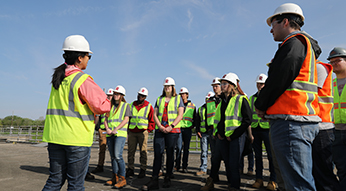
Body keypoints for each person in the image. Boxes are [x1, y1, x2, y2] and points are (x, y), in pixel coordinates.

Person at [255, 3, 321, 190]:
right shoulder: (300, 45)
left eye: (273, 24)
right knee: (294, 181)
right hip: (294, 121)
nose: (270, 30)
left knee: (298, 184)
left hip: (291, 121)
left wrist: (261, 104)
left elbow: (279, 78)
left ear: (285, 21)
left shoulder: (295, 43)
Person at [42, 35, 111, 190]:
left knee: (54, 181)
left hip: (55, 137)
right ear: (80, 58)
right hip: (76, 139)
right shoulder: (82, 79)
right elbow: (103, 106)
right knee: (75, 184)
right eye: (88, 56)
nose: (88, 59)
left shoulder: (58, 79)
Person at [201, 73, 252, 191]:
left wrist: (234, 135)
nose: (222, 86)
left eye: (224, 83)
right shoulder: (223, 101)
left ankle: (234, 187)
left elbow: (247, 120)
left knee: (234, 164)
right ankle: (225, 183)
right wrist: (218, 132)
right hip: (223, 137)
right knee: (225, 162)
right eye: (221, 83)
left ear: (232, 85)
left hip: (236, 137)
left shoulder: (241, 99)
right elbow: (219, 119)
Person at [142, 77, 184, 190]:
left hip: (172, 130)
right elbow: (155, 114)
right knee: (158, 153)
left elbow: (180, 114)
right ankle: (154, 179)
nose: (167, 88)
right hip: (160, 130)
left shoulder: (178, 98)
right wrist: (160, 126)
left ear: (173, 87)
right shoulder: (159, 99)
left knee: (170, 154)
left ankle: (167, 177)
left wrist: (171, 126)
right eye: (165, 86)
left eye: (169, 86)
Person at [249, 73, 276, 190]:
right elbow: (249, 116)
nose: (260, 86)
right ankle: (259, 179)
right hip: (255, 129)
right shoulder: (252, 99)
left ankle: (273, 180)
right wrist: (250, 133)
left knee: (271, 156)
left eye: (262, 84)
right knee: (258, 156)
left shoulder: (271, 97)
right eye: (258, 84)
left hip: (267, 129)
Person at [104, 85, 131, 189]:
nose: (116, 95)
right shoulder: (109, 106)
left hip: (120, 134)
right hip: (110, 133)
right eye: (115, 93)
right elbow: (105, 119)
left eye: (118, 94)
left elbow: (126, 119)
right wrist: (107, 129)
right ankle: (114, 177)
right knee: (112, 157)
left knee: (117, 155)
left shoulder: (125, 106)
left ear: (122, 95)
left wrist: (116, 129)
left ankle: (122, 178)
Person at [196, 77, 223, 179]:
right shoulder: (210, 101)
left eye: (216, 86)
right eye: (213, 86)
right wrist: (207, 128)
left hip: (222, 131)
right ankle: (214, 176)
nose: (215, 88)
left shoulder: (225, 99)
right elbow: (207, 116)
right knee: (214, 154)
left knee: (224, 154)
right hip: (212, 130)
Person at [126, 87, 155, 178]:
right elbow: (127, 118)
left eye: (142, 96)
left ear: (145, 97)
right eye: (139, 95)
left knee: (143, 151)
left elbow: (152, 119)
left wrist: (148, 130)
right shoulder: (131, 105)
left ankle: (143, 169)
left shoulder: (148, 106)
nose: (140, 97)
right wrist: (127, 129)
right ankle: (130, 169)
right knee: (131, 151)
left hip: (143, 132)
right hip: (132, 131)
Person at [328, 47, 346, 189]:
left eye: (337, 60)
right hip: (336, 132)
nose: (333, 63)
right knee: (341, 167)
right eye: (331, 61)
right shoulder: (331, 84)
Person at [174, 87, 197, 173]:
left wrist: (193, 126)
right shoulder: (177, 105)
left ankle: (184, 166)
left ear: (187, 95)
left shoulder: (192, 105)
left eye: (184, 94)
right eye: (181, 94)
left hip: (187, 129)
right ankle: (177, 165)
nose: (182, 95)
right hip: (179, 128)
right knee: (179, 148)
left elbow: (195, 117)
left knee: (186, 149)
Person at [91, 88, 114, 174]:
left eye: (111, 95)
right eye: (108, 95)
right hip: (103, 130)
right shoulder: (103, 105)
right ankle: (100, 166)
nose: (109, 97)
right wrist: (97, 128)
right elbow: (98, 116)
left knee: (113, 151)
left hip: (112, 131)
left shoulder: (115, 106)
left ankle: (114, 167)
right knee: (102, 150)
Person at [195, 91, 214, 176]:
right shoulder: (200, 109)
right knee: (204, 152)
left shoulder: (215, 108)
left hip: (213, 132)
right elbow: (197, 121)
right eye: (206, 98)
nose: (207, 100)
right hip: (203, 133)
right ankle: (203, 168)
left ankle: (214, 170)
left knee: (214, 152)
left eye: (209, 99)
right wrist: (198, 131)